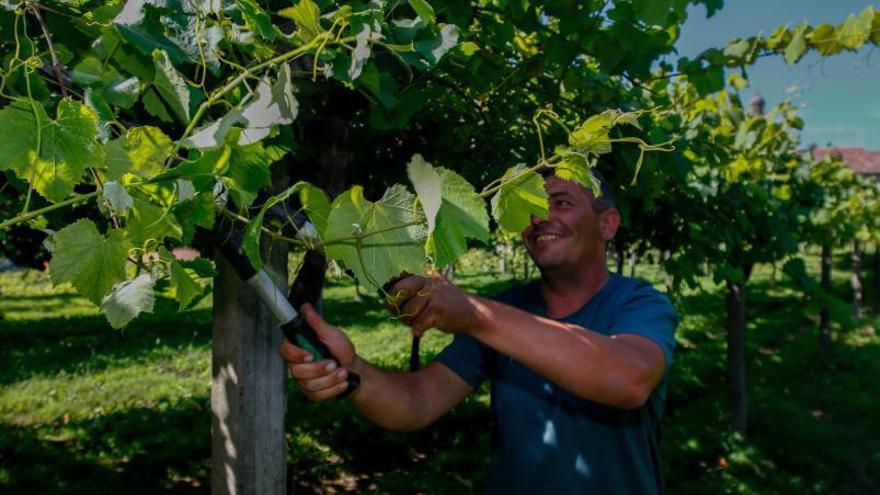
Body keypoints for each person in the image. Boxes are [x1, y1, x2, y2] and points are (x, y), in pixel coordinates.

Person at [280, 172, 679, 494]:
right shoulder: (508, 308)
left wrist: (474, 313)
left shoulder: (640, 304)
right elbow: (418, 402)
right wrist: (353, 372)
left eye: (561, 203)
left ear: (607, 223)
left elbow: (628, 378)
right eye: (531, 207)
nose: (539, 218)